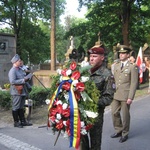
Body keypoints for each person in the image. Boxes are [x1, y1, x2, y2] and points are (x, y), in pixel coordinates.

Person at [81, 46, 115, 150]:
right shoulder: (84, 72)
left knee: (95, 144)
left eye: (94, 56)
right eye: (90, 56)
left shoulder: (107, 75)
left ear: (102, 58)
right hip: (81, 113)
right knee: (82, 142)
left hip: (96, 115)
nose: (91, 59)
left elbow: (108, 97)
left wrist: (92, 103)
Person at [110, 45, 138, 143]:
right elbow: (114, 80)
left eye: (123, 53)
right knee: (114, 112)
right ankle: (118, 130)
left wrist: (131, 97)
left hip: (126, 95)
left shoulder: (132, 67)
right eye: (120, 53)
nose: (121, 55)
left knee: (125, 115)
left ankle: (125, 133)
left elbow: (134, 83)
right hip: (116, 94)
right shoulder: (116, 65)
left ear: (127, 55)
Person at [8, 54, 32, 128]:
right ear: (15, 62)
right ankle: (16, 122)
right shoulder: (12, 71)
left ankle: (23, 121)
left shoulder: (20, 69)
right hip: (16, 91)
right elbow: (12, 81)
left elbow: (24, 78)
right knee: (16, 107)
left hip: (22, 91)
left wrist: (28, 78)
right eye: (19, 61)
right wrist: (23, 80)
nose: (20, 62)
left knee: (21, 106)